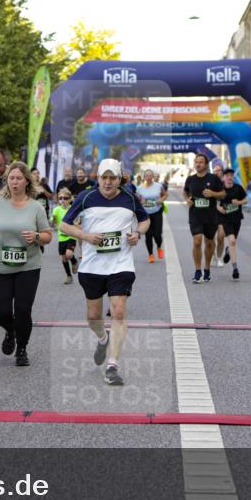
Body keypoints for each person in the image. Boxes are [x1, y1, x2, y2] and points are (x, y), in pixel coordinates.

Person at [60, 159, 149, 386]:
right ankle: (103, 337)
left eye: (113, 178)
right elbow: (64, 225)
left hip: (121, 264)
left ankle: (112, 366)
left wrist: (137, 233)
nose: (108, 182)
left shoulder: (129, 198)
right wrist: (86, 236)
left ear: (119, 179)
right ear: (97, 178)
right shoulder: (86, 197)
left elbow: (145, 220)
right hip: (92, 266)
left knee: (118, 311)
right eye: (104, 178)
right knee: (93, 317)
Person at [0, 161, 53, 366]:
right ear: (7, 180)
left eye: (19, 178)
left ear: (26, 182)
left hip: (28, 265)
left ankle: (21, 348)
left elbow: (48, 236)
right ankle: (10, 330)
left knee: (23, 310)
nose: (14, 182)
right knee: (0, 312)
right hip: (0, 264)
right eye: (11, 178)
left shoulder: (36, 207)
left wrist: (37, 236)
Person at [183, 152, 225, 283]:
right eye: (196, 162)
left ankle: (206, 268)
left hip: (210, 216)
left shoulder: (213, 179)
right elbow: (185, 191)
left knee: (209, 242)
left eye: (201, 162)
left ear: (206, 165)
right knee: (197, 241)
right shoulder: (190, 179)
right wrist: (187, 200)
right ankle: (197, 270)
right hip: (195, 215)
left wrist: (213, 193)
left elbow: (223, 194)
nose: (198, 164)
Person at [216, 169, 247, 281]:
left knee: (232, 242)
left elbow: (246, 199)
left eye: (231, 176)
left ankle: (228, 250)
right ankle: (235, 269)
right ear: (224, 177)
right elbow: (216, 204)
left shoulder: (238, 188)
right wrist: (220, 209)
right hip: (225, 219)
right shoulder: (220, 189)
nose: (229, 177)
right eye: (227, 175)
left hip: (237, 218)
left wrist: (238, 203)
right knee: (232, 240)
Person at [136, 168, 167, 263]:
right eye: (146, 175)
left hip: (157, 212)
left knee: (157, 234)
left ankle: (159, 247)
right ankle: (151, 255)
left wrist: (160, 201)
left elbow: (165, 195)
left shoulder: (159, 186)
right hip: (146, 214)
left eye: (150, 175)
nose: (148, 177)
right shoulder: (139, 188)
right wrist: (141, 201)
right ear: (144, 177)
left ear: (153, 177)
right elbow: (137, 201)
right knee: (148, 235)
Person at [51, 188, 78, 283]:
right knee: (64, 258)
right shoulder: (56, 209)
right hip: (61, 237)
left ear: (70, 199)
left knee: (69, 254)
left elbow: (77, 221)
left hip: (71, 235)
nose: (62, 200)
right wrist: (53, 220)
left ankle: (74, 261)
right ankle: (69, 276)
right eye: (60, 198)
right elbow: (52, 223)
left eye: (65, 198)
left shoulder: (73, 209)